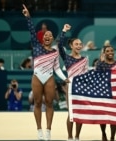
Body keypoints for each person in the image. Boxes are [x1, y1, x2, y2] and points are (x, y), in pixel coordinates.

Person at [22, 4, 69, 140]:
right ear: (42, 38)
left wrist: (64, 78)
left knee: (49, 103)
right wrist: (28, 17)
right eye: (45, 35)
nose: (47, 36)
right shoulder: (36, 46)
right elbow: (31, 31)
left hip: (49, 78)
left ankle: (48, 130)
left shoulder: (55, 52)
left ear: (52, 39)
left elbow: (57, 68)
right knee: (37, 103)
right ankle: (39, 130)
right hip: (37, 77)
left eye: (50, 35)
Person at [58, 35, 89, 141]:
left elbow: (85, 75)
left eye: (80, 44)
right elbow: (59, 45)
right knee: (71, 113)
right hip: (71, 88)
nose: (79, 46)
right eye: (76, 44)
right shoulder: (66, 57)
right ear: (71, 46)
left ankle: (77, 137)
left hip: (81, 88)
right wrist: (63, 32)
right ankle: (70, 137)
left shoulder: (84, 59)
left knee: (80, 113)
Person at [96, 45, 116, 141]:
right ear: (104, 53)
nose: (110, 52)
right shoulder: (100, 64)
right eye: (107, 51)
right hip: (104, 93)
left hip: (115, 93)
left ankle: (112, 137)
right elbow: (97, 78)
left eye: (112, 50)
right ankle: (103, 134)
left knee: (114, 117)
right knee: (103, 116)